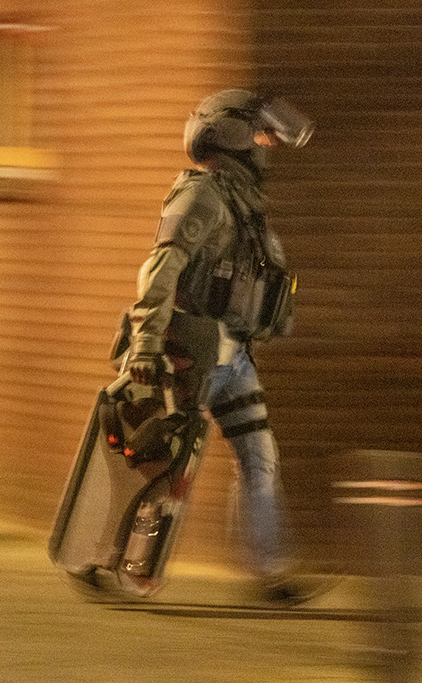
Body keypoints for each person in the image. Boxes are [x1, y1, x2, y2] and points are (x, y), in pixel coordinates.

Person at [125, 89, 316, 605]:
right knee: (173, 461)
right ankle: (123, 558)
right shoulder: (202, 195)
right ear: (230, 137)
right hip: (193, 349)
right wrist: (145, 346)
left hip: (233, 357)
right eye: (259, 136)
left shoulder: (242, 203)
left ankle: (271, 573)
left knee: (259, 457)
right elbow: (158, 270)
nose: (266, 147)